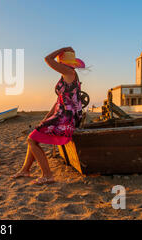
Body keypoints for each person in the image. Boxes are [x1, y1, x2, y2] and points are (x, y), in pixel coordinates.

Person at [12, 47, 85, 185]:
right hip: (61, 114)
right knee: (33, 138)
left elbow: (47, 59)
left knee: (31, 139)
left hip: (65, 118)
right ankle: (25, 170)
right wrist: (46, 117)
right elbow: (60, 100)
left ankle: (47, 175)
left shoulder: (69, 72)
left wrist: (63, 49)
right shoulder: (66, 75)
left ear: (63, 61)